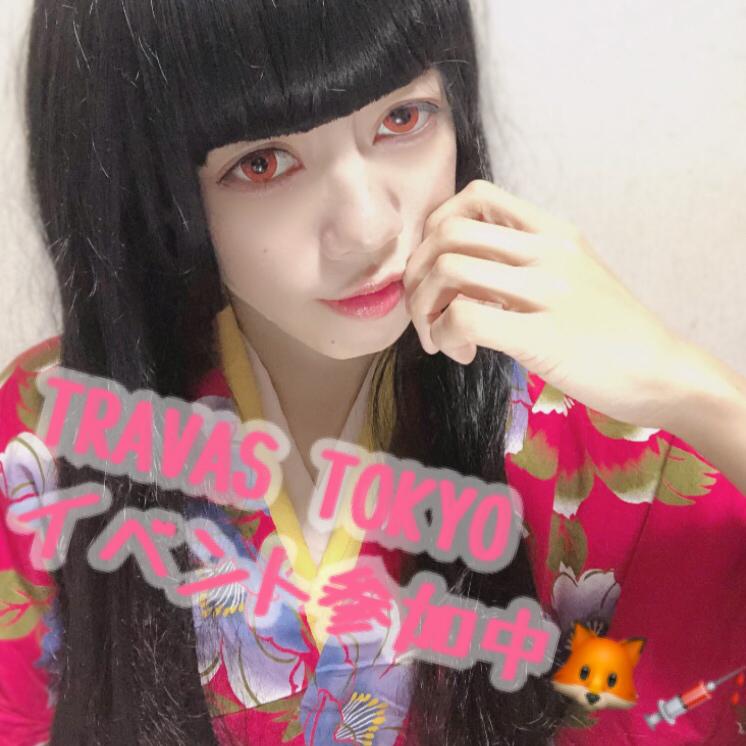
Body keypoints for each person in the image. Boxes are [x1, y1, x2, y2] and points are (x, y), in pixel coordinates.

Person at [1, 1, 745, 744]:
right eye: (262, 163)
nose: (367, 228)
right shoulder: (44, 442)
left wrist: (693, 391)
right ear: (156, 191)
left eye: (402, 119)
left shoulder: (597, 442)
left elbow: (655, 699)